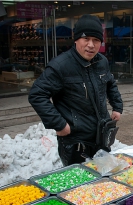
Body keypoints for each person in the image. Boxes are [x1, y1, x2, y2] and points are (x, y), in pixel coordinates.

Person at [28, 14, 123, 166]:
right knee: (80, 186)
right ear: (76, 39)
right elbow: (37, 95)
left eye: (96, 40)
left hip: (102, 137)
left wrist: (117, 107)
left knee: (103, 183)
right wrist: (59, 124)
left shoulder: (102, 61)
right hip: (76, 143)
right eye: (86, 39)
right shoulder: (61, 66)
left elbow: (111, 83)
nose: (91, 45)